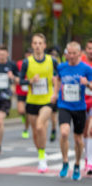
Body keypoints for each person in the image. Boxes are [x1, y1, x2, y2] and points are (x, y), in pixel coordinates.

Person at [19, 33, 58, 173]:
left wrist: (56, 92)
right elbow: (20, 80)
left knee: (41, 126)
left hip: (47, 100)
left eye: (40, 43)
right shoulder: (27, 62)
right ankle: (41, 153)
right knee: (35, 132)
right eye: (35, 43)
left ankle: (42, 159)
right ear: (32, 45)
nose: (37, 46)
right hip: (32, 101)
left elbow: (59, 76)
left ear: (44, 46)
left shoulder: (51, 61)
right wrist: (29, 81)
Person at [54, 41, 92, 180]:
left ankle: (76, 164)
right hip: (64, 105)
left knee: (78, 139)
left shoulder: (86, 69)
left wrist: (86, 83)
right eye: (69, 53)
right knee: (64, 133)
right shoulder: (61, 67)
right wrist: (54, 93)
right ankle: (65, 162)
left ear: (79, 54)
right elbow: (57, 79)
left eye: (74, 53)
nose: (71, 56)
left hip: (80, 107)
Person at [80, 39, 92, 175]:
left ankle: (90, 162)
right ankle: (86, 156)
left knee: (91, 131)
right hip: (82, 101)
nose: (91, 51)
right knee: (83, 132)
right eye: (89, 48)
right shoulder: (81, 62)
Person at [16, 48, 33, 139]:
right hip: (21, 90)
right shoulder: (19, 63)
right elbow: (16, 75)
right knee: (21, 110)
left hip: (31, 91)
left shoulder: (34, 64)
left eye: (30, 54)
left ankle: (26, 129)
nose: (28, 56)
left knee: (28, 113)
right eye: (27, 54)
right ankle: (24, 117)